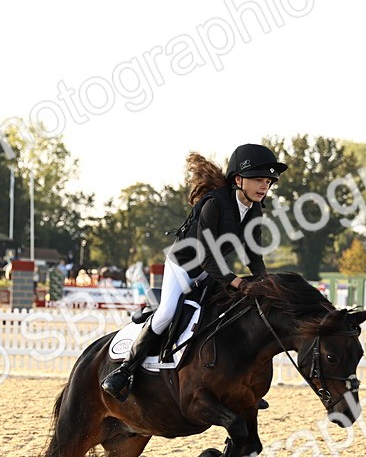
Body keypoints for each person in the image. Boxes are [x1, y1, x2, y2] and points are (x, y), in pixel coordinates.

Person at [101, 143, 286, 401]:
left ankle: (239, 380)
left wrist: (265, 284)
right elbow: (207, 258)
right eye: (258, 180)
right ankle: (125, 370)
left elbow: (253, 256)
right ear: (238, 179)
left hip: (212, 271)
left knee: (232, 312)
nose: (264, 186)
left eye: (268, 181)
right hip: (184, 266)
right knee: (167, 312)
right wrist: (238, 283)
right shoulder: (215, 204)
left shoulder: (254, 211)